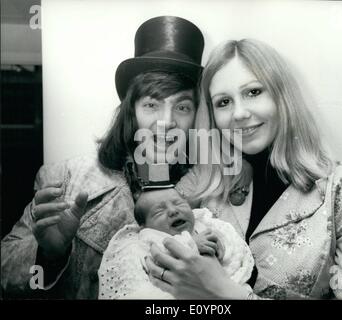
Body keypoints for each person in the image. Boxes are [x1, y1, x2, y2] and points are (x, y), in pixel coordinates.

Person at [145, 39, 342, 300]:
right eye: (223, 102)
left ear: (282, 95)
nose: (239, 113)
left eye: (253, 92)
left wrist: (224, 292)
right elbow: (146, 246)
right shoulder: (202, 183)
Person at [1, 16, 205, 299]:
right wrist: (48, 256)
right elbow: (4, 269)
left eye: (182, 107)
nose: (166, 122)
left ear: (196, 115)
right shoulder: (66, 178)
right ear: (130, 111)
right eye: (151, 104)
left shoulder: (214, 189)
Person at [97, 188, 253, 299]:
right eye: (159, 211)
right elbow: (155, 260)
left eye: (179, 204)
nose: (173, 211)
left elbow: (226, 242)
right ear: (144, 226)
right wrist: (191, 244)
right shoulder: (148, 237)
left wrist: (220, 245)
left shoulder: (204, 223)